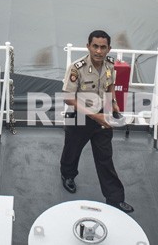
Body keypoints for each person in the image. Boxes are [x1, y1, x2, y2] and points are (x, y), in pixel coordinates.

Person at [60, 30, 133, 214]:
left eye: (103, 47)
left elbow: (109, 87)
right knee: (72, 150)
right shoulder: (77, 68)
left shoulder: (109, 65)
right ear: (88, 46)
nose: (98, 51)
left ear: (109, 48)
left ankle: (115, 199)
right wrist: (95, 115)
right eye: (95, 46)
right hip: (81, 116)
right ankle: (67, 175)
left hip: (102, 117)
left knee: (105, 158)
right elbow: (69, 99)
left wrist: (113, 105)